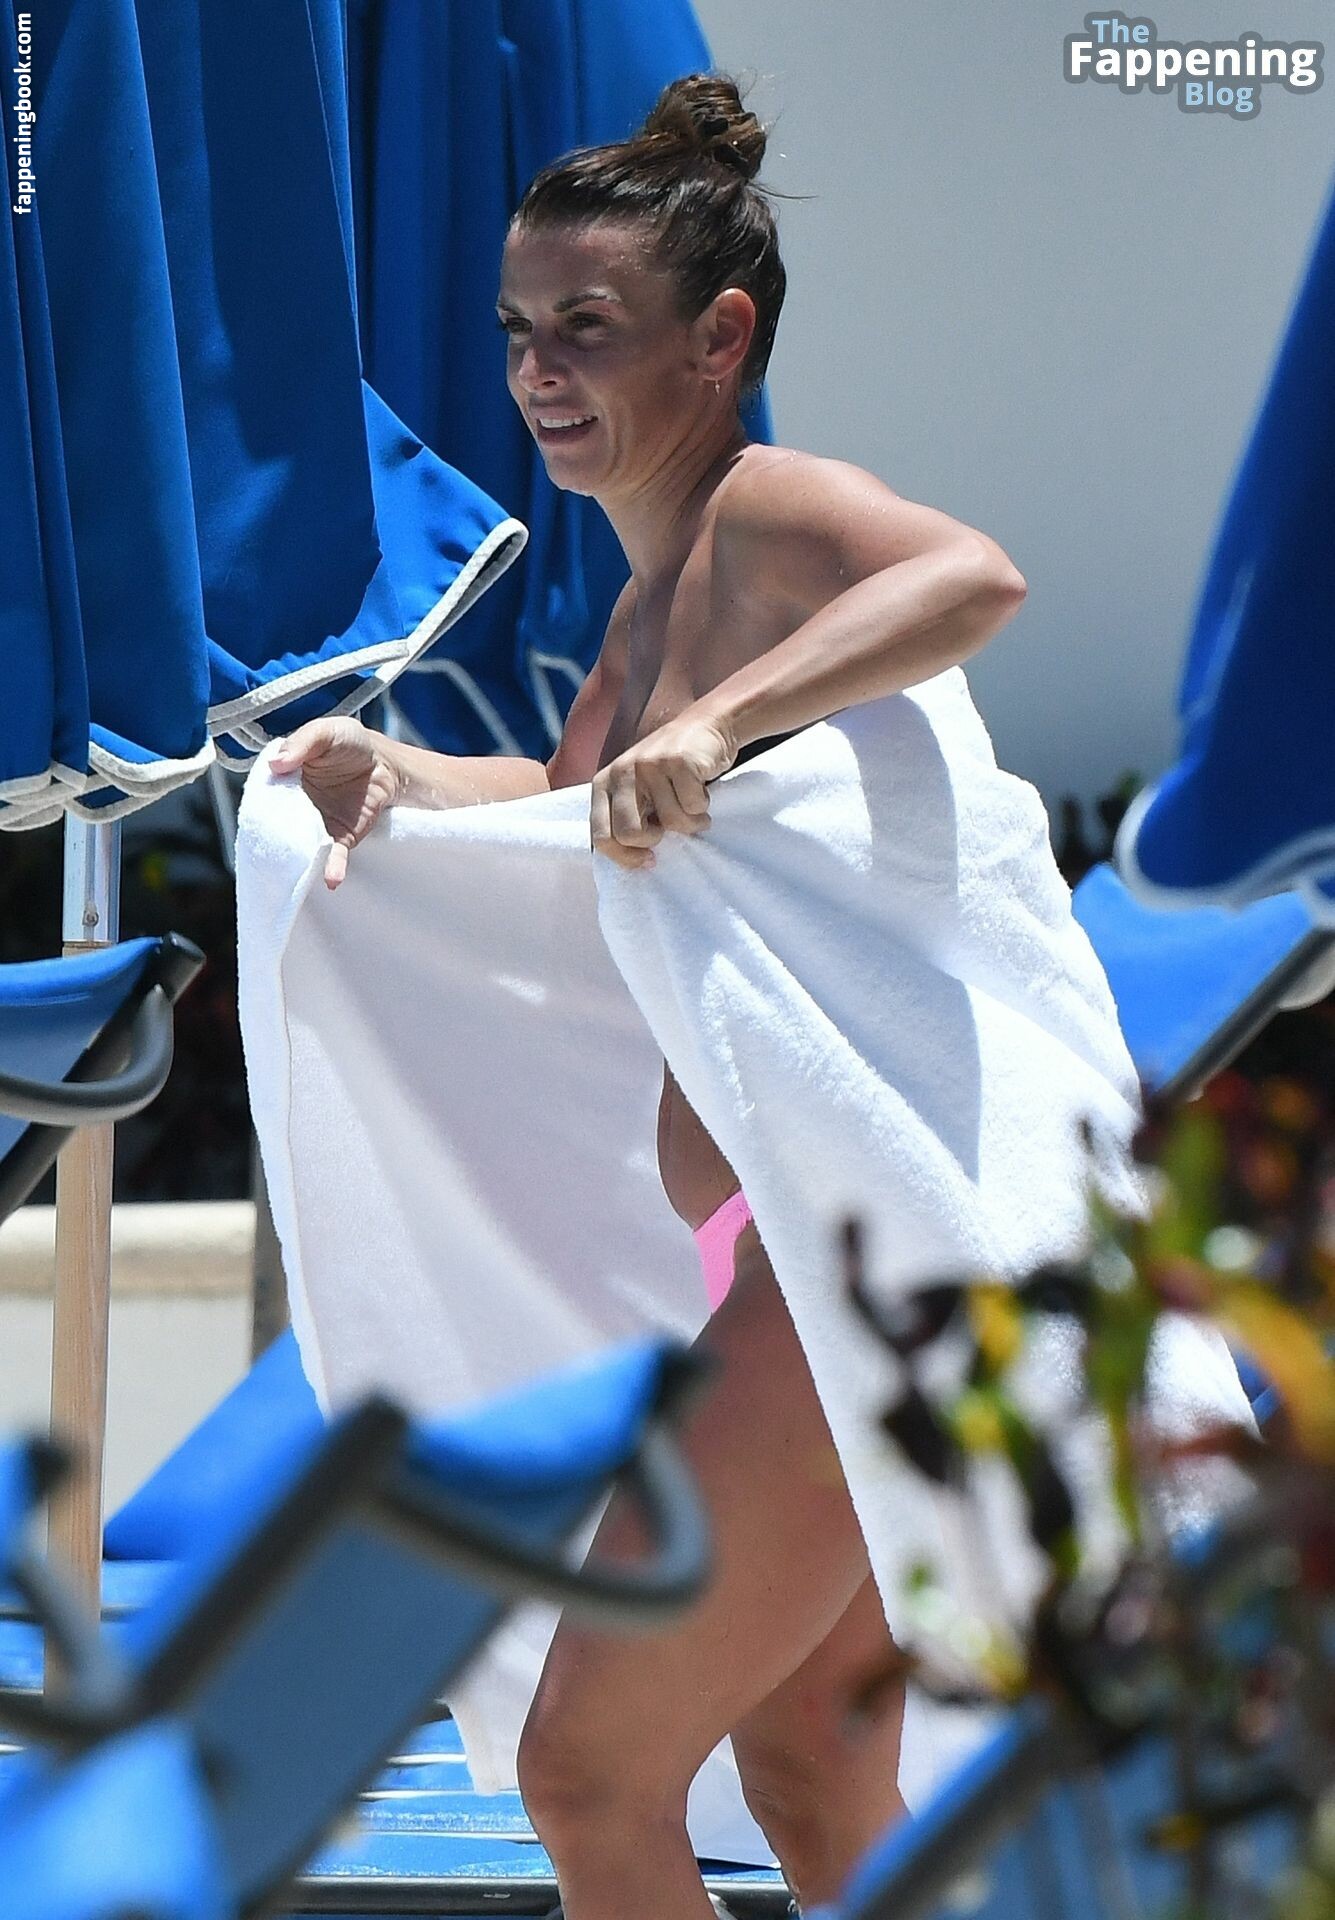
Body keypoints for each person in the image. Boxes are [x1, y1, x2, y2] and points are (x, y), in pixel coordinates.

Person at [270, 72, 1028, 1919]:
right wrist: (393, 777)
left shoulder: (771, 516)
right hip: (815, 1258)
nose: (536, 372)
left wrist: (722, 718)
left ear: (722, 338)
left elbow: (972, 577)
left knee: (592, 1772)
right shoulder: (648, 605)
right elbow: (573, 818)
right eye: (519, 331)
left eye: (585, 330)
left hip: (853, 1267)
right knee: (811, 1761)